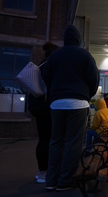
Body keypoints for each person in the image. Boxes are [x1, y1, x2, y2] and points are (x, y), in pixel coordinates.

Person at [43, 25, 99, 191]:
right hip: (78, 103)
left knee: (56, 141)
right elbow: (93, 78)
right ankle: (65, 181)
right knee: (73, 143)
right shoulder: (84, 55)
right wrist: (86, 95)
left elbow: (46, 76)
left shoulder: (55, 56)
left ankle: (51, 180)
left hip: (57, 104)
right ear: (78, 39)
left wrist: (55, 92)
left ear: (65, 39)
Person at [28, 42, 59, 183]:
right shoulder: (52, 66)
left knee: (43, 138)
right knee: (49, 139)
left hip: (36, 105)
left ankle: (41, 172)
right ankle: (44, 171)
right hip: (46, 106)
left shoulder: (39, 66)